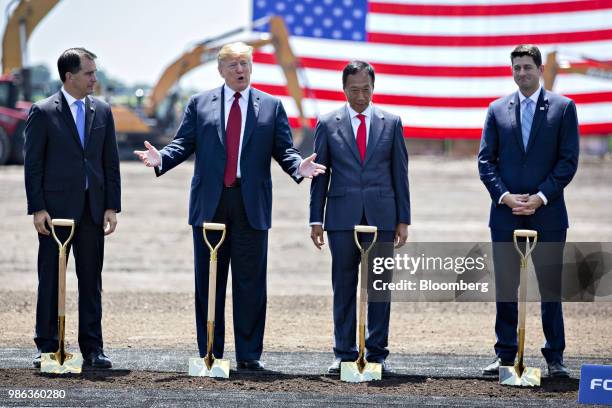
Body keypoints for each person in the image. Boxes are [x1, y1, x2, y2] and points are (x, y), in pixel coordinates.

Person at [134, 42, 325, 370]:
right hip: (211, 203)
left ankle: (249, 357)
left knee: (251, 283)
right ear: (221, 70)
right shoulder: (199, 104)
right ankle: (210, 353)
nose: (240, 70)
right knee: (208, 281)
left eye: (245, 64)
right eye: (234, 64)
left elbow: (285, 150)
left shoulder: (270, 106)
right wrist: (162, 157)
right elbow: (183, 143)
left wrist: (298, 167)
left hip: (251, 204)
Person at [478, 44, 579, 378]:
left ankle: (555, 359)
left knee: (550, 288)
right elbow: (485, 161)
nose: (522, 72)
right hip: (505, 213)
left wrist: (541, 196)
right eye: (517, 67)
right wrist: (505, 196)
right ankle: (505, 354)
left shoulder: (563, 109)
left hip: (548, 214)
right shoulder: (496, 110)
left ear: (539, 69)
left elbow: (568, 161)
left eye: (527, 67)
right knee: (506, 286)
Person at [309, 61, 410, 374]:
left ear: (373, 87)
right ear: (344, 89)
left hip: (382, 216)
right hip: (341, 218)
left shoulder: (391, 123)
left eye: (366, 89)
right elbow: (319, 176)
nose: (361, 96)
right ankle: (344, 353)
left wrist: (403, 219)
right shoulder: (327, 123)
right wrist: (316, 219)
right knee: (343, 284)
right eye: (354, 90)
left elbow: (400, 173)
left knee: (379, 286)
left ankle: (377, 353)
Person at [24, 47, 121, 369]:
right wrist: (37, 208)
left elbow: (110, 162)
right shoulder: (43, 111)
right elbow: (33, 164)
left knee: (91, 281)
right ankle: (48, 346)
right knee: (50, 279)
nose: (95, 78)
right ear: (70, 76)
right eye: (89, 73)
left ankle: (93, 348)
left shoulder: (103, 111)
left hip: (93, 211)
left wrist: (112, 207)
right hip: (55, 214)